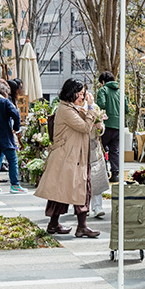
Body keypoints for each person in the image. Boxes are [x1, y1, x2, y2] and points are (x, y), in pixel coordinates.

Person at [34, 78, 100, 238]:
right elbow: (84, 127)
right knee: (79, 190)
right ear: (71, 92)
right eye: (80, 94)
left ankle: (54, 224)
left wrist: (95, 118)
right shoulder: (66, 110)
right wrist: (91, 108)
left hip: (71, 157)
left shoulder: (70, 108)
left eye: (84, 94)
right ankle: (81, 227)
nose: (83, 98)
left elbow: (88, 125)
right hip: (68, 158)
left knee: (62, 191)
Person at [96, 71, 128, 183]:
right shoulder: (121, 92)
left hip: (106, 125)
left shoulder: (103, 90)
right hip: (118, 126)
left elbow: (101, 104)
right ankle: (115, 173)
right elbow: (127, 109)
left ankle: (104, 172)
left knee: (101, 149)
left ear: (103, 81)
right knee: (115, 150)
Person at [89, 104, 109, 218]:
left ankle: (97, 206)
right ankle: (81, 207)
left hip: (94, 147)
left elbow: (102, 129)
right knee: (81, 179)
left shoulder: (94, 107)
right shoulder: (74, 108)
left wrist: (99, 126)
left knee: (97, 177)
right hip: (79, 148)